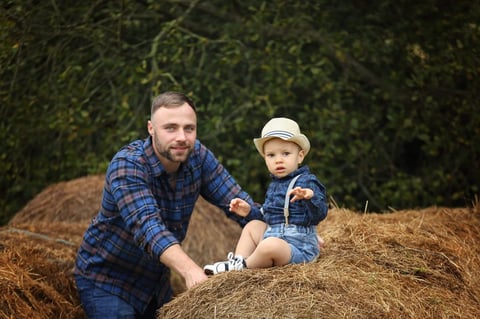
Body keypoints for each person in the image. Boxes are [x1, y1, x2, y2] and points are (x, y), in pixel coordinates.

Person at [74, 91, 264, 319]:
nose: (182, 137)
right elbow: (149, 228)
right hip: (108, 281)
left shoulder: (199, 157)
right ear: (151, 128)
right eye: (170, 128)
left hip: (154, 283)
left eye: (189, 128)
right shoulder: (128, 165)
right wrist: (191, 271)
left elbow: (239, 203)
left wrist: (291, 231)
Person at [203, 117, 328, 274]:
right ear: (265, 159)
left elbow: (320, 213)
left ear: (300, 156)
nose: (278, 160)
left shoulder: (306, 182)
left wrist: (310, 197)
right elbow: (268, 217)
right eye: (271, 155)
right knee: (252, 226)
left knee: (270, 245)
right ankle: (237, 262)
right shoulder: (275, 186)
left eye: (286, 153)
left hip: (298, 248)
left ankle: (243, 266)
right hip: (275, 237)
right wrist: (249, 212)